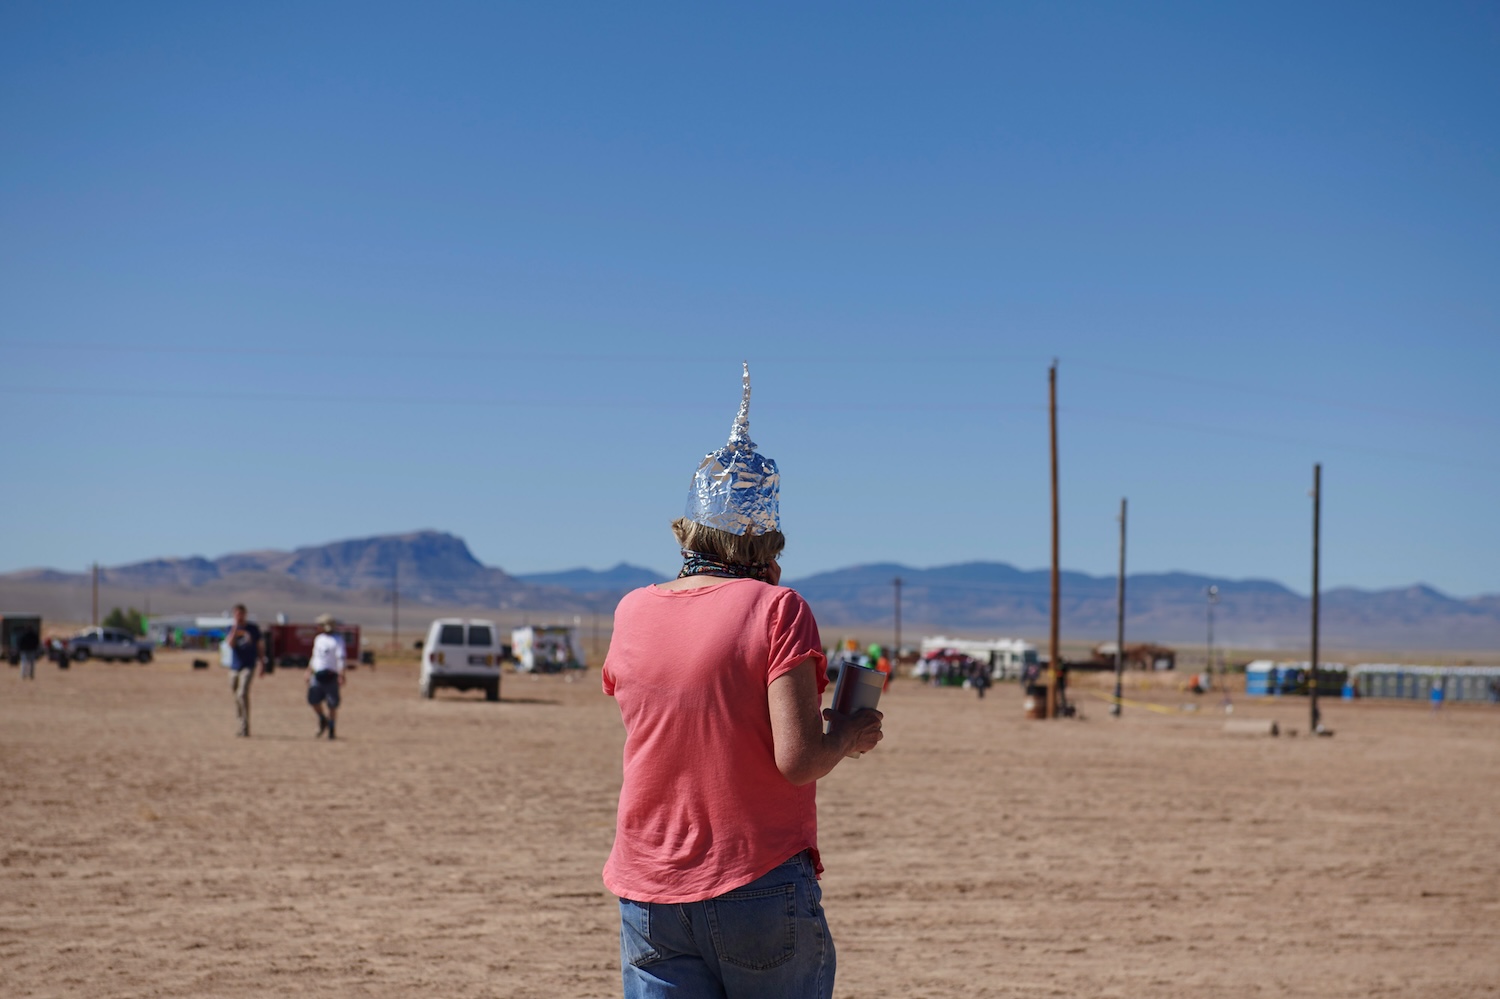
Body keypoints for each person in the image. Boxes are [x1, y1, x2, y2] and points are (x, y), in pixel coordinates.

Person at [602, 364, 883, 999]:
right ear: (766, 540)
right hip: (754, 877)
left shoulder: (631, 610)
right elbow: (798, 759)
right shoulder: (775, 609)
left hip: (648, 886)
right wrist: (847, 732)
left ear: (690, 530)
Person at [225, 604, 264, 737]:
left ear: (245, 614)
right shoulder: (231, 628)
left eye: (241, 614)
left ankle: (245, 726)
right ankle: (240, 723)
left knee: (242, 693)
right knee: (236, 696)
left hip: (249, 665)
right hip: (235, 667)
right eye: (237, 614)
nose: (239, 616)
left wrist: (262, 662)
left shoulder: (252, 629)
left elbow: (259, 646)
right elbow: (230, 644)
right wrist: (235, 630)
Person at [307, 613, 347, 739]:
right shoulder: (318, 639)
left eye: (320, 625)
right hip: (317, 674)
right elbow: (315, 656)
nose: (318, 627)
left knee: (332, 704)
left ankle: (331, 728)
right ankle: (322, 719)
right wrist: (309, 670)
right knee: (313, 700)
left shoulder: (337, 640)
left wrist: (342, 674)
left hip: (331, 675)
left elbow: (341, 658)